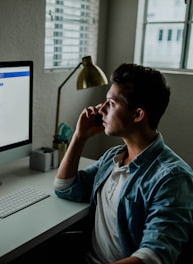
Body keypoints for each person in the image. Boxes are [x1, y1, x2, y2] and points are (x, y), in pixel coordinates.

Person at [54, 63, 193, 264]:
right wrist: (79, 136)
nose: (101, 108)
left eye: (111, 102)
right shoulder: (113, 158)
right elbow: (65, 187)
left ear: (137, 114)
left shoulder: (173, 178)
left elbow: (153, 257)